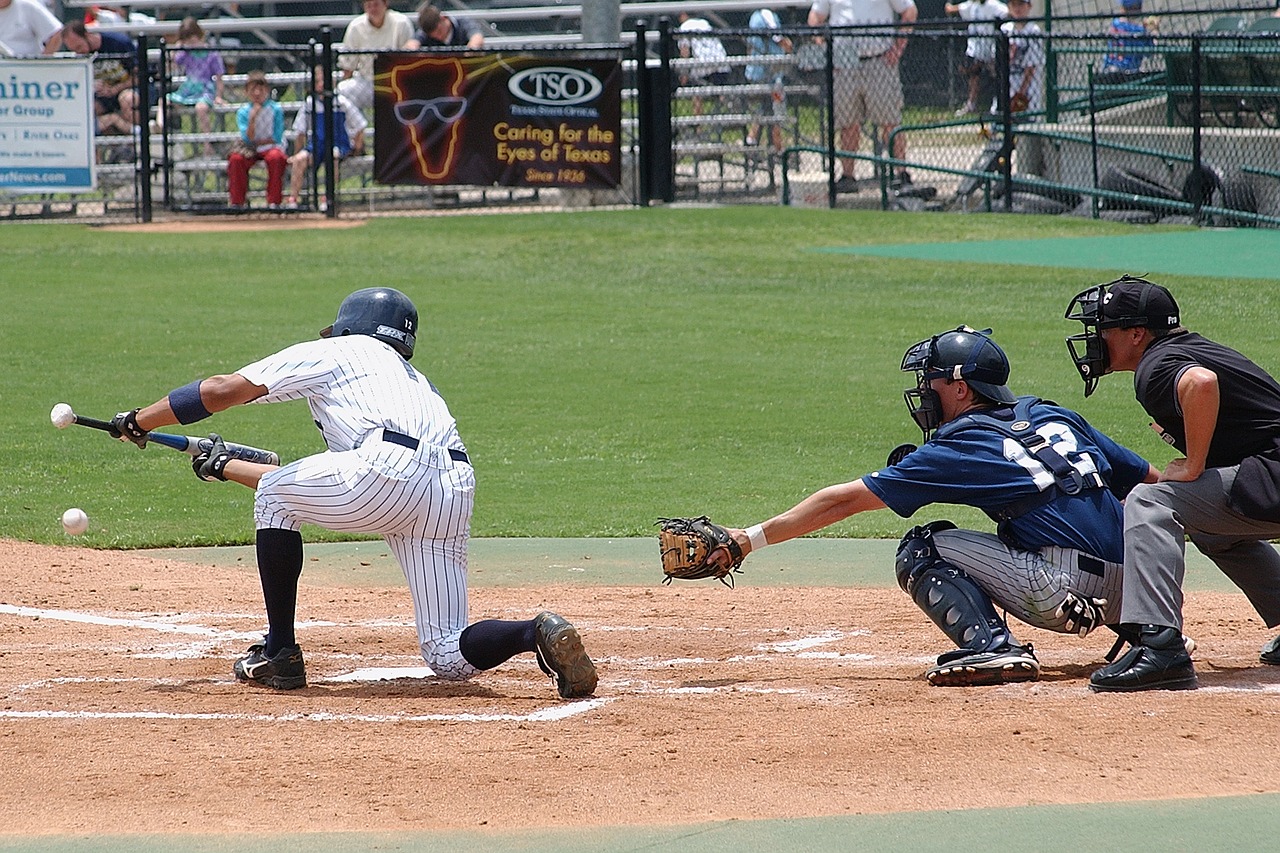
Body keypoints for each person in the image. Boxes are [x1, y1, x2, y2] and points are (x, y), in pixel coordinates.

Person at [106, 287, 598, 700]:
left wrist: (139, 420)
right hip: (451, 489)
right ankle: (533, 632)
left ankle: (279, 653)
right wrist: (228, 468)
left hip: (384, 473)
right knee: (447, 654)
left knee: (276, 498)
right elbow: (347, 477)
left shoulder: (336, 351)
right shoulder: (409, 380)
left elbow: (219, 390)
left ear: (350, 326)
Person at [707, 325, 1158, 687]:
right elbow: (1149, 484)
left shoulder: (961, 442)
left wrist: (748, 539)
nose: (925, 392)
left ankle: (995, 647)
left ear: (960, 388)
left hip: (1062, 592)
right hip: (1140, 593)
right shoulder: (1052, 414)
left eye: (932, 382)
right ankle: (1152, 636)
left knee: (923, 547)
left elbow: (843, 502)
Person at [1065, 277, 1280, 692]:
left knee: (1152, 502)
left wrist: (1194, 464)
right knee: (1209, 527)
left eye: (1104, 329)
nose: (1096, 339)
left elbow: (1201, 384)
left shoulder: (1156, 365)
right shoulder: (1188, 347)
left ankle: (1161, 647)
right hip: (1269, 475)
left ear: (1136, 334)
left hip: (1272, 477)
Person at [809, 0, 917, 194]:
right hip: (844, 64)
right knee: (848, 123)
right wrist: (826, 50)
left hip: (879, 60)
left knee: (890, 121)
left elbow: (909, 11)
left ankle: (901, 173)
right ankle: (848, 176)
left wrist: (898, 48)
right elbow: (815, 18)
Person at [286, 66, 368, 209]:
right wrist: (297, 152)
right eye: (318, 81)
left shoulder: (341, 102)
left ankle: (327, 198)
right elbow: (300, 132)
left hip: (338, 143)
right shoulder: (310, 104)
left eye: (325, 81)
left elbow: (360, 125)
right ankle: (293, 199)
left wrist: (357, 147)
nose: (322, 84)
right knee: (299, 160)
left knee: (333, 157)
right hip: (316, 145)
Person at [61, 18, 139, 135]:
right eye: (74, 50)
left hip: (129, 88)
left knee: (126, 99)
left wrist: (115, 89)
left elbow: (139, 76)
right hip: (105, 95)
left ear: (87, 35)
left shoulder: (118, 43)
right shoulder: (82, 57)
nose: (78, 53)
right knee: (87, 109)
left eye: (79, 47)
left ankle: (140, 139)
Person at [337, 0, 414, 111]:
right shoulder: (355, 26)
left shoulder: (401, 23)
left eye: (376, 4)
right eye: (369, 5)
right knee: (342, 91)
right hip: (366, 82)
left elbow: (408, 60)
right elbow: (348, 67)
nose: (373, 9)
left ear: (385, 4)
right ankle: (359, 127)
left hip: (394, 83)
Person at [166, 17, 226, 157]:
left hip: (205, 88)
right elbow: (174, 62)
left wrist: (218, 96)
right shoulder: (185, 53)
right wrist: (178, 46)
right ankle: (160, 127)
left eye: (192, 39)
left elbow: (219, 78)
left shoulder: (211, 53)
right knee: (165, 101)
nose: (190, 43)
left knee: (201, 108)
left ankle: (207, 144)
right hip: (189, 88)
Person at [227, 69, 286, 209]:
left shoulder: (275, 109)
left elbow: (276, 137)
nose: (257, 93)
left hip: (270, 148)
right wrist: (252, 118)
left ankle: (274, 201)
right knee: (236, 160)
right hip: (250, 149)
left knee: (276, 158)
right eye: (253, 89)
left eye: (261, 89)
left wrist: (260, 142)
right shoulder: (243, 112)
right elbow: (248, 139)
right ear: (247, 91)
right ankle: (237, 202)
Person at [944, 0, 1008, 116]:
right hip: (976, 48)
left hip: (992, 47)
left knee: (997, 75)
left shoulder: (994, 5)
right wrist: (949, 7)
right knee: (973, 74)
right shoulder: (973, 5)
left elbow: (1008, 14)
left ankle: (999, 103)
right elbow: (956, 8)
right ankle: (971, 104)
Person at [745, 7, 794, 154]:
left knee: (763, 109)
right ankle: (778, 149)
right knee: (776, 109)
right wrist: (790, 48)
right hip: (770, 74)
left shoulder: (754, 15)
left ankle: (751, 141)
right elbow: (778, 38)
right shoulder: (766, 14)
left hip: (756, 72)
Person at [676, 11, 732, 116]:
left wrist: (683, 73)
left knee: (696, 93)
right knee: (719, 91)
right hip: (720, 59)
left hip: (703, 62)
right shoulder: (704, 22)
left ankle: (699, 125)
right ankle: (730, 108)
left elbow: (685, 52)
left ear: (684, 15)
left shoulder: (684, 26)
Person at [1098, 0, 1156, 85]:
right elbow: (1150, 52)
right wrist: (1154, 31)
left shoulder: (1115, 23)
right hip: (1128, 74)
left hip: (1109, 70)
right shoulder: (1137, 30)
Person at [1002, 0, 1043, 118]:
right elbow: (998, 63)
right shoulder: (1006, 29)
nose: (1017, 8)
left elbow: (1031, 67)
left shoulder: (1033, 31)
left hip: (1028, 88)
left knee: (1028, 121)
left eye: (1021, 4)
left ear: (1029, 6)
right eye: (1013, 5)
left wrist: (1020, 94)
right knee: (999, 121)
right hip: (1008, 84)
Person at [404, 3, 484, 50]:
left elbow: (477, 37)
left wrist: (470, 50)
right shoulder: (424, 33)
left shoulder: (463, 23)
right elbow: (411, 44)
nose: (439, 37)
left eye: (440, 31)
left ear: (444, 18)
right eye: (434, 36)